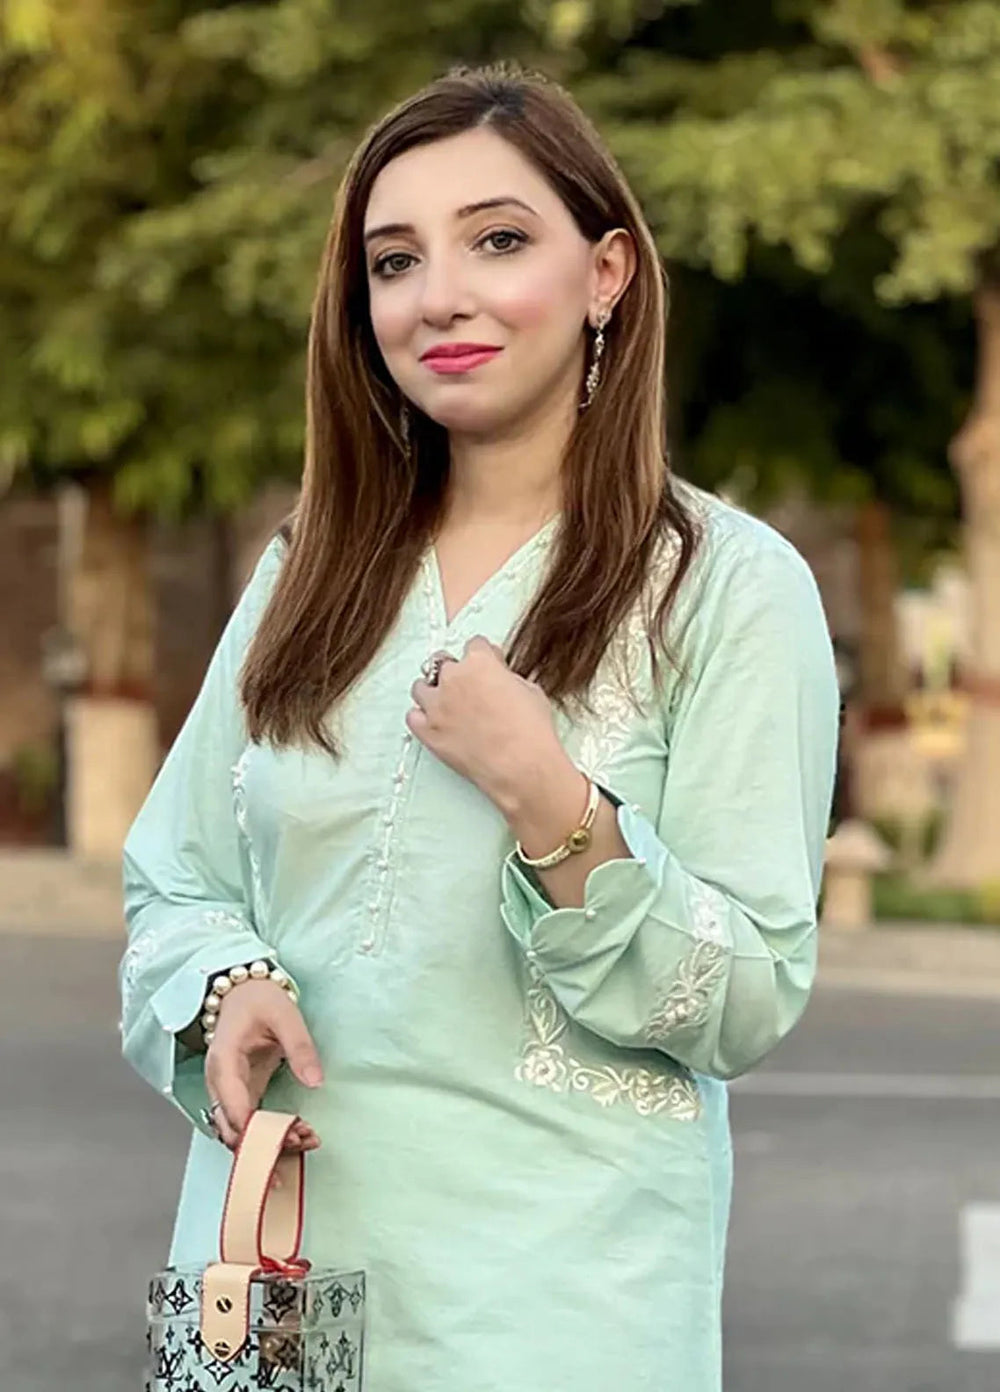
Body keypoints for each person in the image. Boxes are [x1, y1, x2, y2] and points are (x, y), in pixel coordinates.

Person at [119, 61, 839, 1392]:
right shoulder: (307, 570)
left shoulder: (727, 586)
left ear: (606, 273)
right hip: (272, 1269)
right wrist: (224, 988)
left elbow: (749, 997)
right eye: (394, 262)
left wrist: (553, 805)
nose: (438, 295)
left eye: (497, 241)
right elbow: (175, 875)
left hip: (559, 1303)